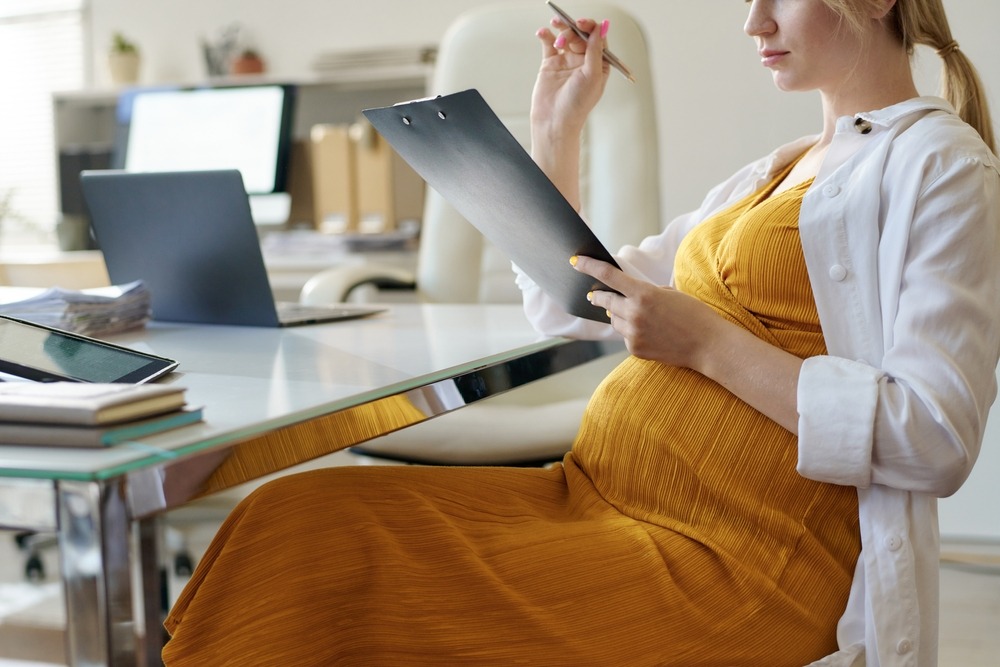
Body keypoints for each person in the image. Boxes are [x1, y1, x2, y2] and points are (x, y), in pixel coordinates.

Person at [161, 1, 1000, 665]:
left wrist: (704, 342)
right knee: (294, 523)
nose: (754, 21)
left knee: (330, 568)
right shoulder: (777, 168)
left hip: (739, 562)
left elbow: (934, 437)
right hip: (592, 497)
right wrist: (555, 133)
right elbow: (579, 298)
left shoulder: (940, 166)